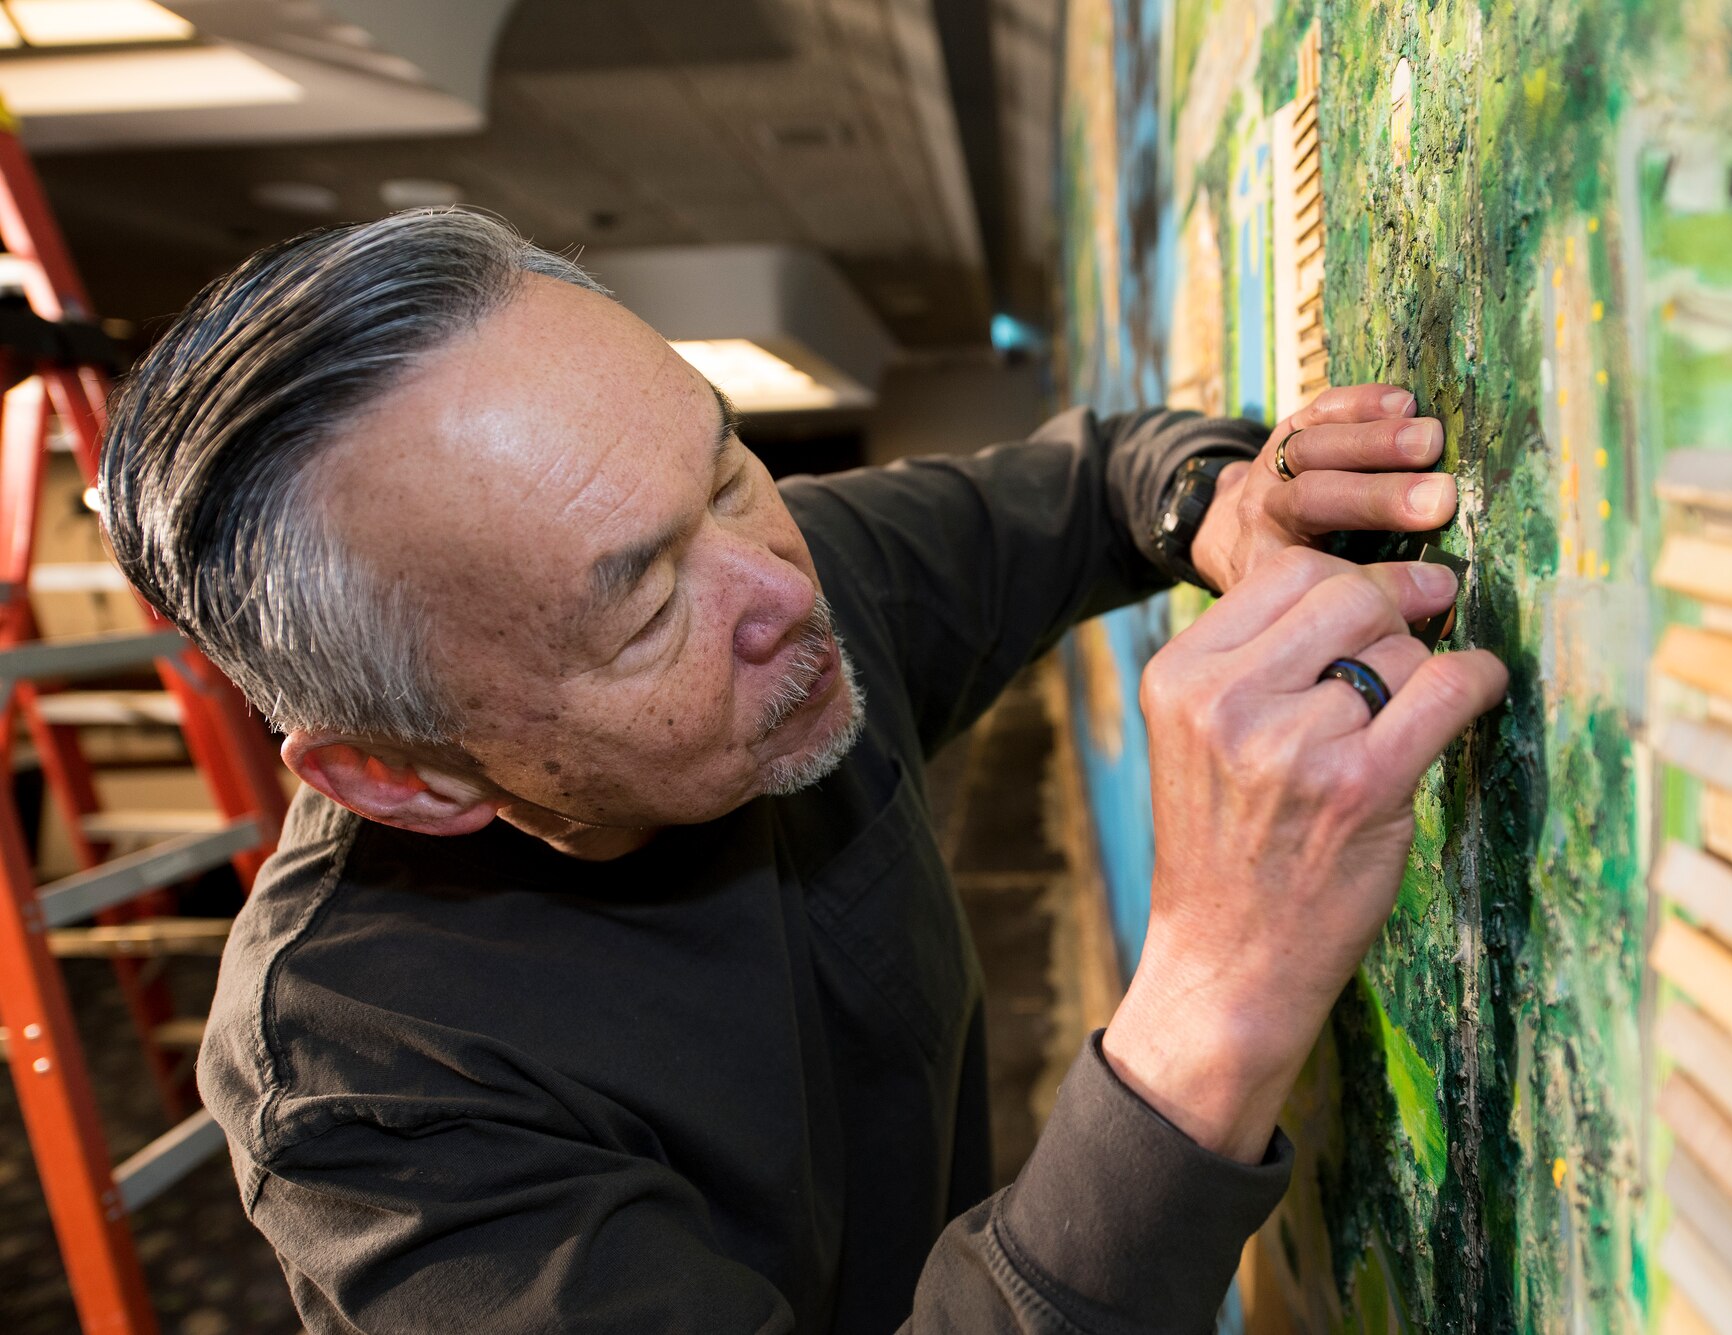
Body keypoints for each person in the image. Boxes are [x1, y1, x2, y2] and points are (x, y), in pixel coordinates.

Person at [99, 209, 1507, 1333]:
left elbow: (1094, 486)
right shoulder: (370, 1105)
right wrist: (1215, 1003)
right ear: (408, 780)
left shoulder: (770, 570)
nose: (783, 586)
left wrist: (1224, 501)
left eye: (725, 468)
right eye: (643, 606)